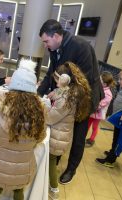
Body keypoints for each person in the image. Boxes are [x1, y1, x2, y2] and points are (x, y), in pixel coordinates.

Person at [38, 19, 104, 184]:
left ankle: (71, 169)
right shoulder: (55, 48)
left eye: (46, 41)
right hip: (66, 94)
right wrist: (38, 94)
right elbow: (51, 73)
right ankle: (56, 158)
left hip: (84, 98)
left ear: (57, 36)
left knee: (78, 135)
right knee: (61, 128)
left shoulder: (81, 47)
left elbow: (85, 82)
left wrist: (62, 95)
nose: (45, 45)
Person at [0, 59, 46, 200]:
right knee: (19, 193)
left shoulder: (1, 112)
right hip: (23, 169)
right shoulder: (39, 116)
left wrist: (1, 139)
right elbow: (41, 138)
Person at [46, 62, 91, 200]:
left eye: (56, 80)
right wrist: (52, 95)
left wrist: (42, 107)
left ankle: (54, 190)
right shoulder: (70, 92)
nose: (55, 83)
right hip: (60, 134)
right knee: (51, 161)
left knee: (51, 163)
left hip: (57, 137)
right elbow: (58, 94)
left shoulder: (66, 99)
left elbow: (50, 118)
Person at [86, 71, 115, 147]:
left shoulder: (108, 94)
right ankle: (83, 137)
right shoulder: (100, 88)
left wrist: (93, 105)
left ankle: (91, 139)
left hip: (98, 114)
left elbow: (101, 104)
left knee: (94, 127)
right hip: (93, 112)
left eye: (100, 81)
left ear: (105, 84)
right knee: (87, 124)